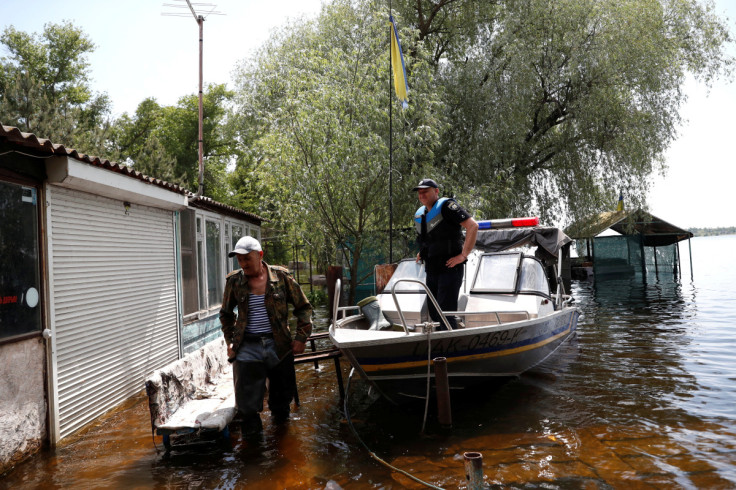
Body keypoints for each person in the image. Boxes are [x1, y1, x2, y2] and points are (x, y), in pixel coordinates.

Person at [219, 236, 313, 440]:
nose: (243, 264)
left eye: (247, 259)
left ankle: (282, 449)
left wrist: (301, 338)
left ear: (260, 256)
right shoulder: (234, 281)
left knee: (281, 405)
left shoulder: (282, 277)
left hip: (278, 346)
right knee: (247, 408)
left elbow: (303, 308)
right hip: (247, 347)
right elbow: (226, 314)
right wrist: (230, 341)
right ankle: (254, 455)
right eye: (239, 260)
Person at [413, 178, 478, 330]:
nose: (422, 194)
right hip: (432, 269)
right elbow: (429, 239)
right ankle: (437, 345)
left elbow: (473, 226)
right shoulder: (421, 214)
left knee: (445, 312)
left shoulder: (448, 206)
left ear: (436, 191)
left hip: (450, 268)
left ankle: (450, 347)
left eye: (426, 191)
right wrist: (422, 252)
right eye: (419, 192)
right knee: (434, 312)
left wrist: (463, 255)